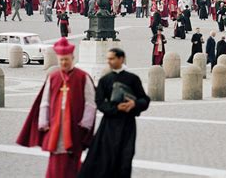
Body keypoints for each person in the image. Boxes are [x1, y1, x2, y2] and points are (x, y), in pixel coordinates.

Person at [16, 37, 96, 178]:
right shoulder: (53, 77)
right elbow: (45, 102)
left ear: (72, 58)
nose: (64, 62)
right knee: (55, 159)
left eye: (66, 59)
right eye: (61, 60)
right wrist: (43, 123)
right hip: (55, 125)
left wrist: (85, 125)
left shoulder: (83, 77)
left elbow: (90, 104)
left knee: (72, 161)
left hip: (75, 126)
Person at [78, 48, 150, 178]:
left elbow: (144, 99)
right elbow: (99, 102)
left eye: (111, 58)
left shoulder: (133, 79)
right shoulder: (105, 80)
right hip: (109, 126)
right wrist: (116, 108)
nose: (109, 61)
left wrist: (134, 104)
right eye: (108, 59)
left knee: (125, 158)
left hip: (127, 124)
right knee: (105, 157)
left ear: (121, 59)